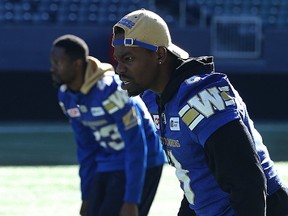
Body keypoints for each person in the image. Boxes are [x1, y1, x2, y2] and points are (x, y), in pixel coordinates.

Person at [112, 9, 288, 216]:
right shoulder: (157, 97)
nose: (119, 69)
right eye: (118, 60)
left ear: (159, 54)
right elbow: (195, 175)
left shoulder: (199, 97)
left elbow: (248, 182)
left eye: (128, 59)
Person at [50, 34, 167, 216]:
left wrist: (131, 201)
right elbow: (86, 148)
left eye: (58, 63)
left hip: (144, 161)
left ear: (77, 65)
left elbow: (136, 146)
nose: (53, 68)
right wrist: (86, 196)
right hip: (108, 161)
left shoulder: (111, 91)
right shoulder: (66, 96)